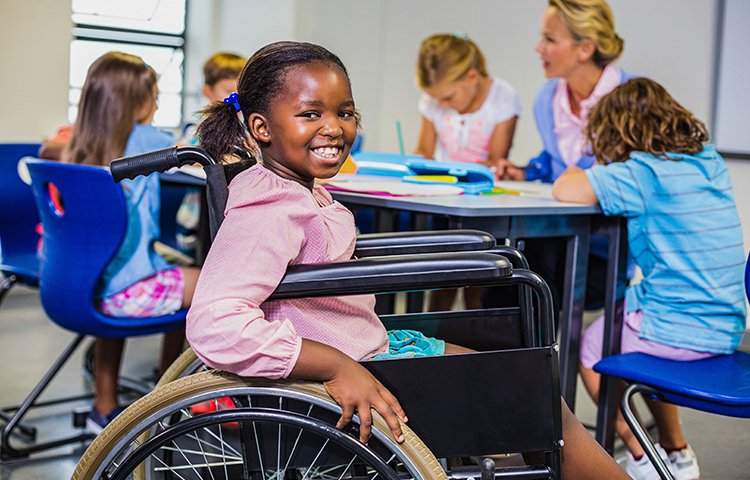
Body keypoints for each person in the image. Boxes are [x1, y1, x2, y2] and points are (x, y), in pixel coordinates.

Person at [187, 40, 630, 479]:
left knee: (532, 391)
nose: (334, 127)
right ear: (262, 128)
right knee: (537, 400)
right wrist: (335, 365)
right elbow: (215, 323)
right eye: (311, 114)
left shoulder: (299, 189)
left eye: (345, 112)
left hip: (368, 346)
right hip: (346, 367)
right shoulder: (270, 208)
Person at [552, 77, 747, 480]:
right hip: (727, 327)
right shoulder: (709, 161)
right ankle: (676, 452)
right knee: (632, 327)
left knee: (592, 346)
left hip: (676, 331)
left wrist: (581, 163)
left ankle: (642, 458)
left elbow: (565, 189)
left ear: (615, 132)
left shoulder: (640, 174)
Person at [62, 52, 201, 433]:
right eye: (154, 95)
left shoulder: (78, 146)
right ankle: (165, 397)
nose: (157, 103)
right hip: (127, 292)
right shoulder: (148, 139)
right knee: (208, 282)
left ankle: (103, 404)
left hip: (87, 286)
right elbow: (196, 150)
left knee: (169, 272)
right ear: (135, 100)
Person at [486, 0, 633, 319]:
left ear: (585, 49)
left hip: (601, 251)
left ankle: (533, 367)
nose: (539, 48)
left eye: (550, 39)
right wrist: (525, 172)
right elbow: (553, 161)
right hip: (551, 238)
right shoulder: (548, 96)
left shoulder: (630, 99)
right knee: (502, 285)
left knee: (530, 291)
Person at [414, 32, 521, 312]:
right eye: (437, 100)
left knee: (479, 284)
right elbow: (423, 151)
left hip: (483, 203)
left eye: (448, 97)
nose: (444, 106)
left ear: (472, 77)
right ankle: (434, 345)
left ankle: (473, 342)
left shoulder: (502, 97)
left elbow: (496, 160)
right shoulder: (435, 101)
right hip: (443, 200)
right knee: (441, 280)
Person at [175, 52, 253, 258]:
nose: (236, 99)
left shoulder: (251, 129)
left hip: (237, 220)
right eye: (229, 91)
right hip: (197, 220)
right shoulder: (197, 127)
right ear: (207, 91)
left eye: (241, 92)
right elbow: (191, 153)